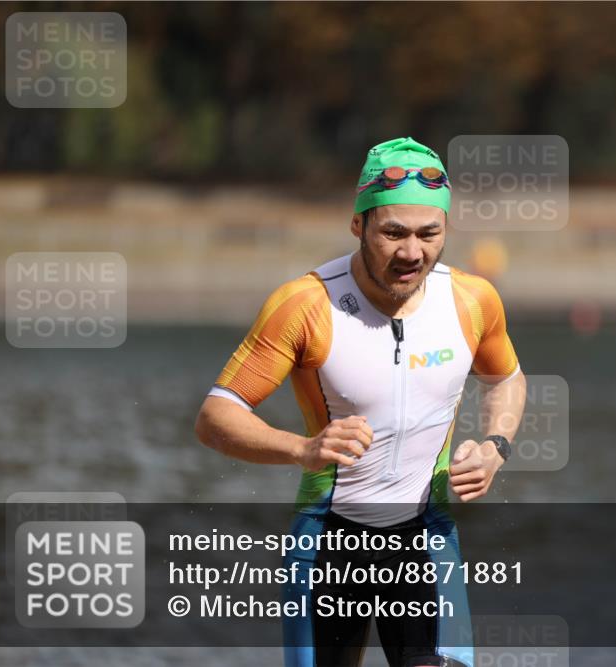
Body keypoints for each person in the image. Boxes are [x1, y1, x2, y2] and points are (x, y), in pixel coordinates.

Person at [195, 137, 527, 667]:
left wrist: (495, 446)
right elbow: (215, 418)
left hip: (426, 538)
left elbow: (507, 378)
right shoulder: (305, 306)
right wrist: (302, 449)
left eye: (428, 233)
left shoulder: (473, 301)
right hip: (327, 543)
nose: (411, 252)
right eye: (393, 232)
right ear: (359, 225)